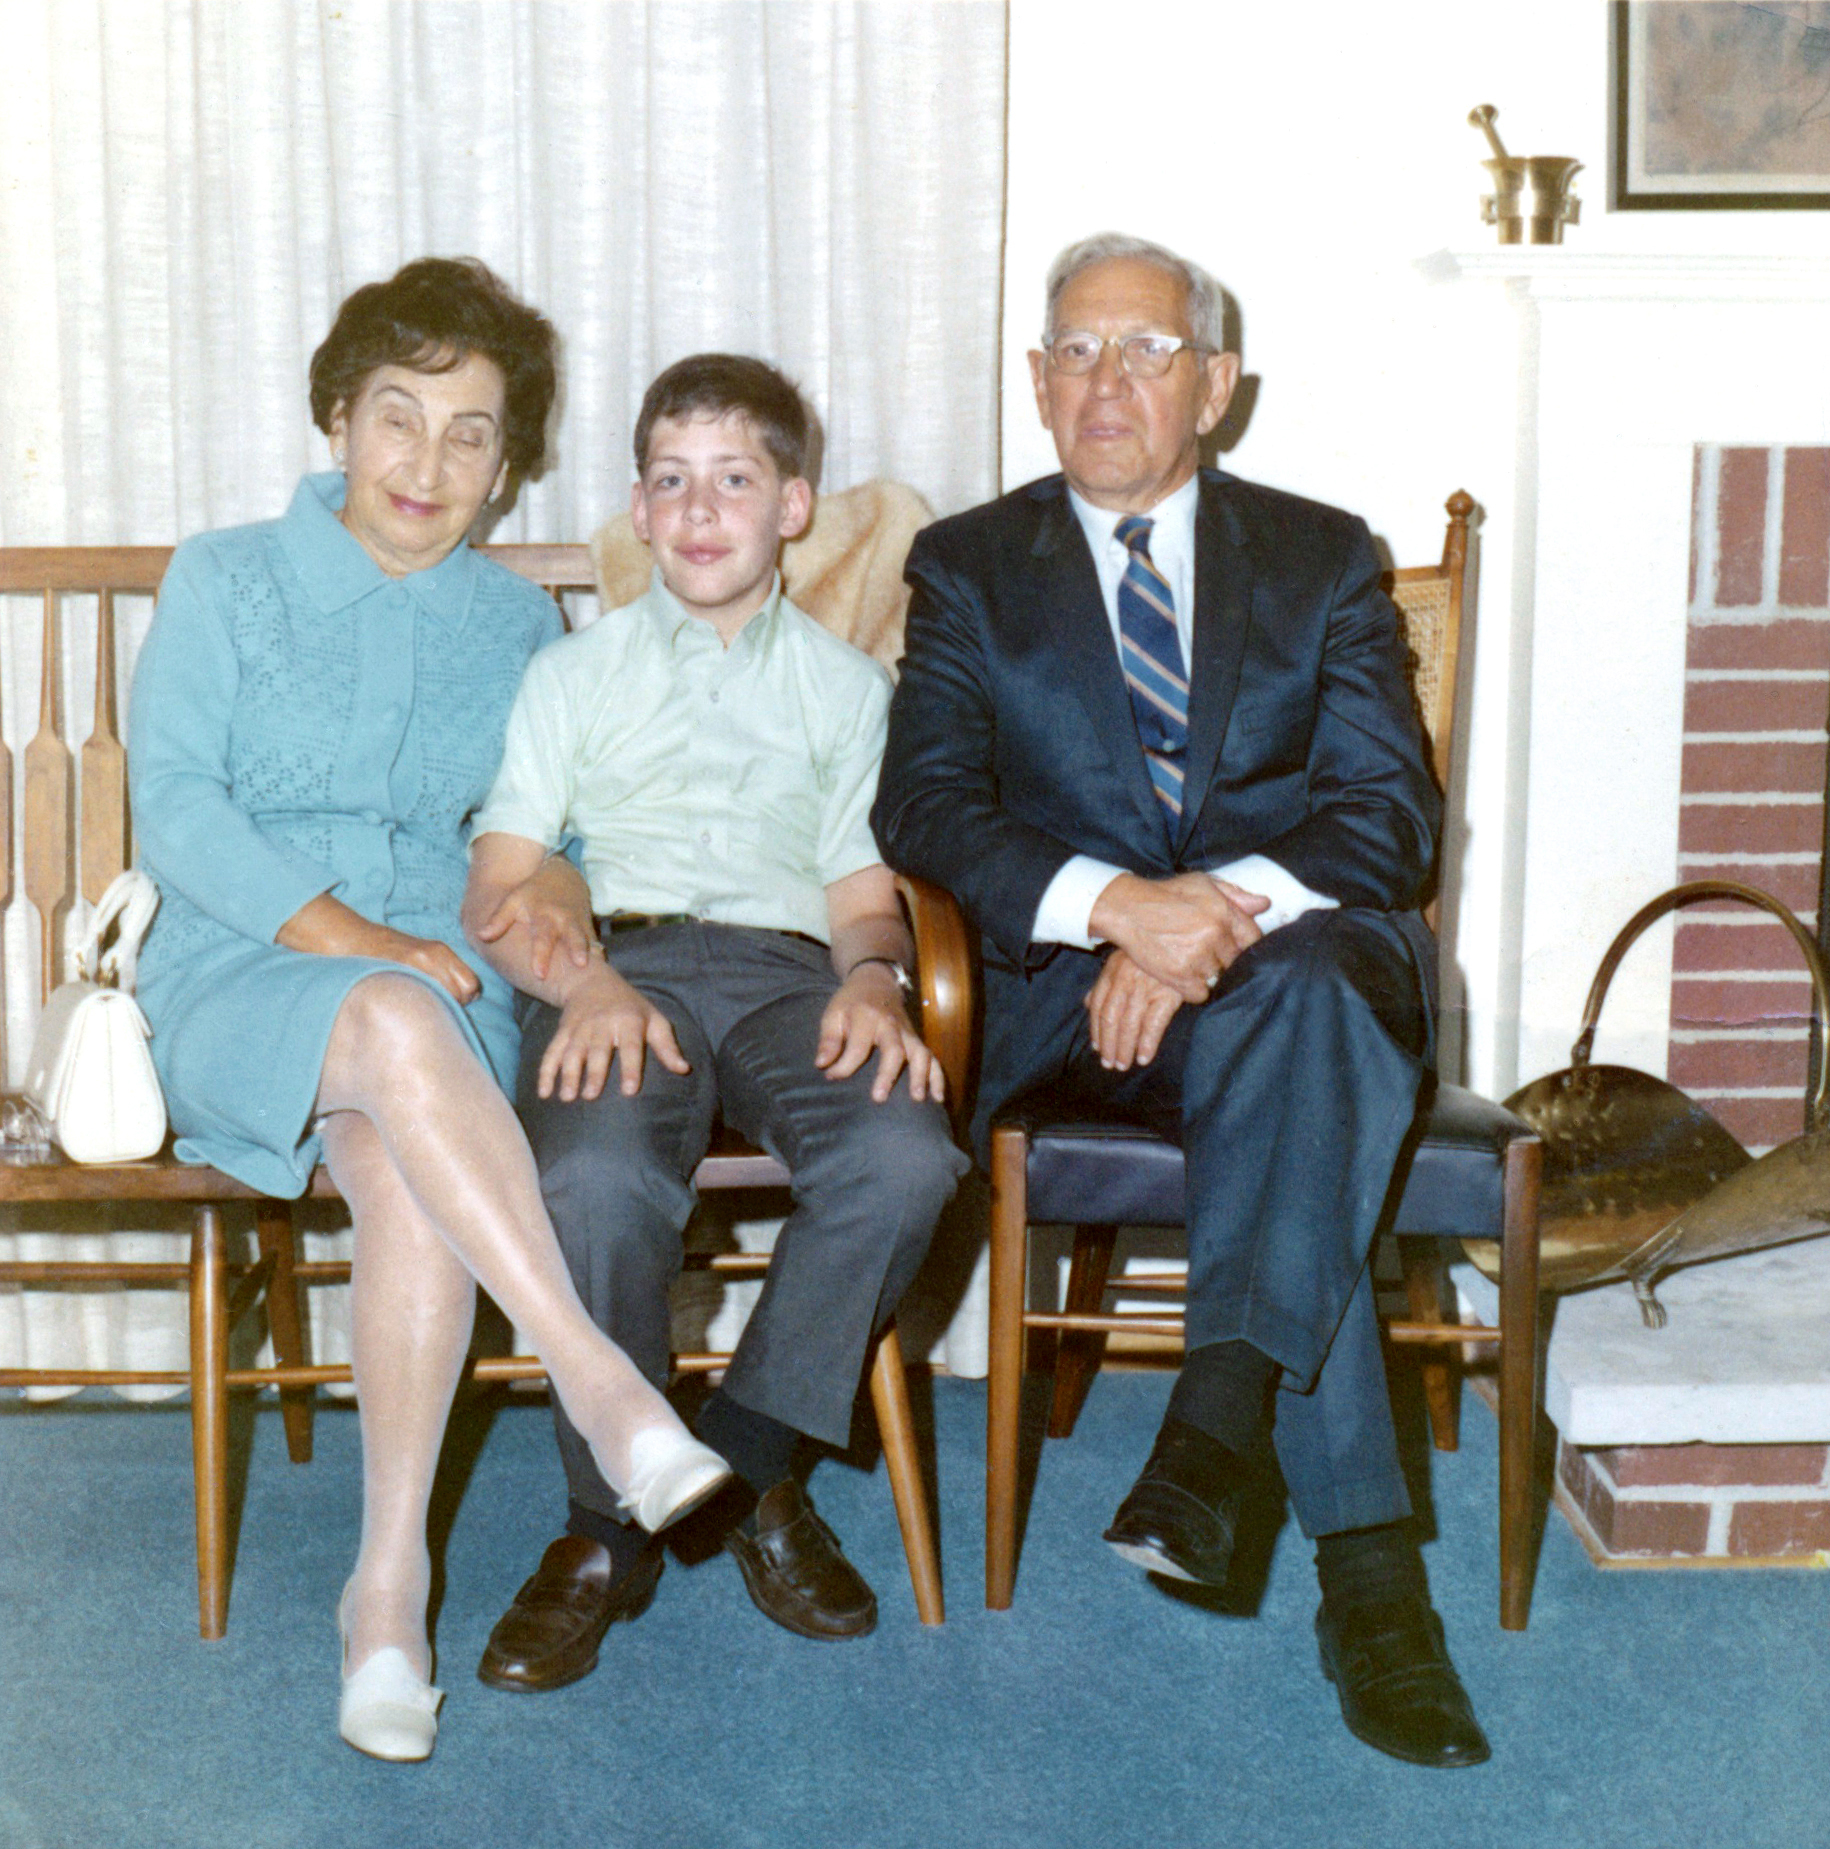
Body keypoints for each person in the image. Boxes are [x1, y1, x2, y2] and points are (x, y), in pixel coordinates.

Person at [871, 233, 1490, 1769]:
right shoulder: (967, 565)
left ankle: (1260, 1469)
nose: (1107, 381)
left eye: (1146, 350)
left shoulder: (1320, 557)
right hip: (1059, 1017)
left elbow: (1387, 820)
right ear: (1035, 381)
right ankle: (1347, 1559)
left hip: (1285, 988)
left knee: (1309, 1006)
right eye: (1076, 350)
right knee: (1309, 1067)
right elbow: (926, 807)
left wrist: (1200, 921)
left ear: (1214, 386)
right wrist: (1113, 911)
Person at [128, 258, 729, 1765]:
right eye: (398, 416)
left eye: (471, 434)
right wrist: (361, 939)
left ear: (506, 464)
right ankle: (602, 1381)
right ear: (339, 417)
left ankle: (386, 1597)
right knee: (392, 1009)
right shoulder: (224, 577)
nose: (429, 461)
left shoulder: (516, 626)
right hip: (237, 970)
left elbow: (546, 844)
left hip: (439, 1013)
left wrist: (565, 909)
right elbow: (178, 811)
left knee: (404, 1155)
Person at [461, 354, 967, 1691]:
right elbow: (499, 886)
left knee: (905, 1156)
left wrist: (876, 978)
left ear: (792, 506)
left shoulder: (847, 690)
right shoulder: (573, 674)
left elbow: (860, 896)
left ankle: (739, 1459)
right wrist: (583, 982)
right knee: (592, 1176)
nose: (698, 510)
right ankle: (600, 1517)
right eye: (670, 481)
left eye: (734, 480)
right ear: (637, 507)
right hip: (617, 966)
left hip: (790, 974)